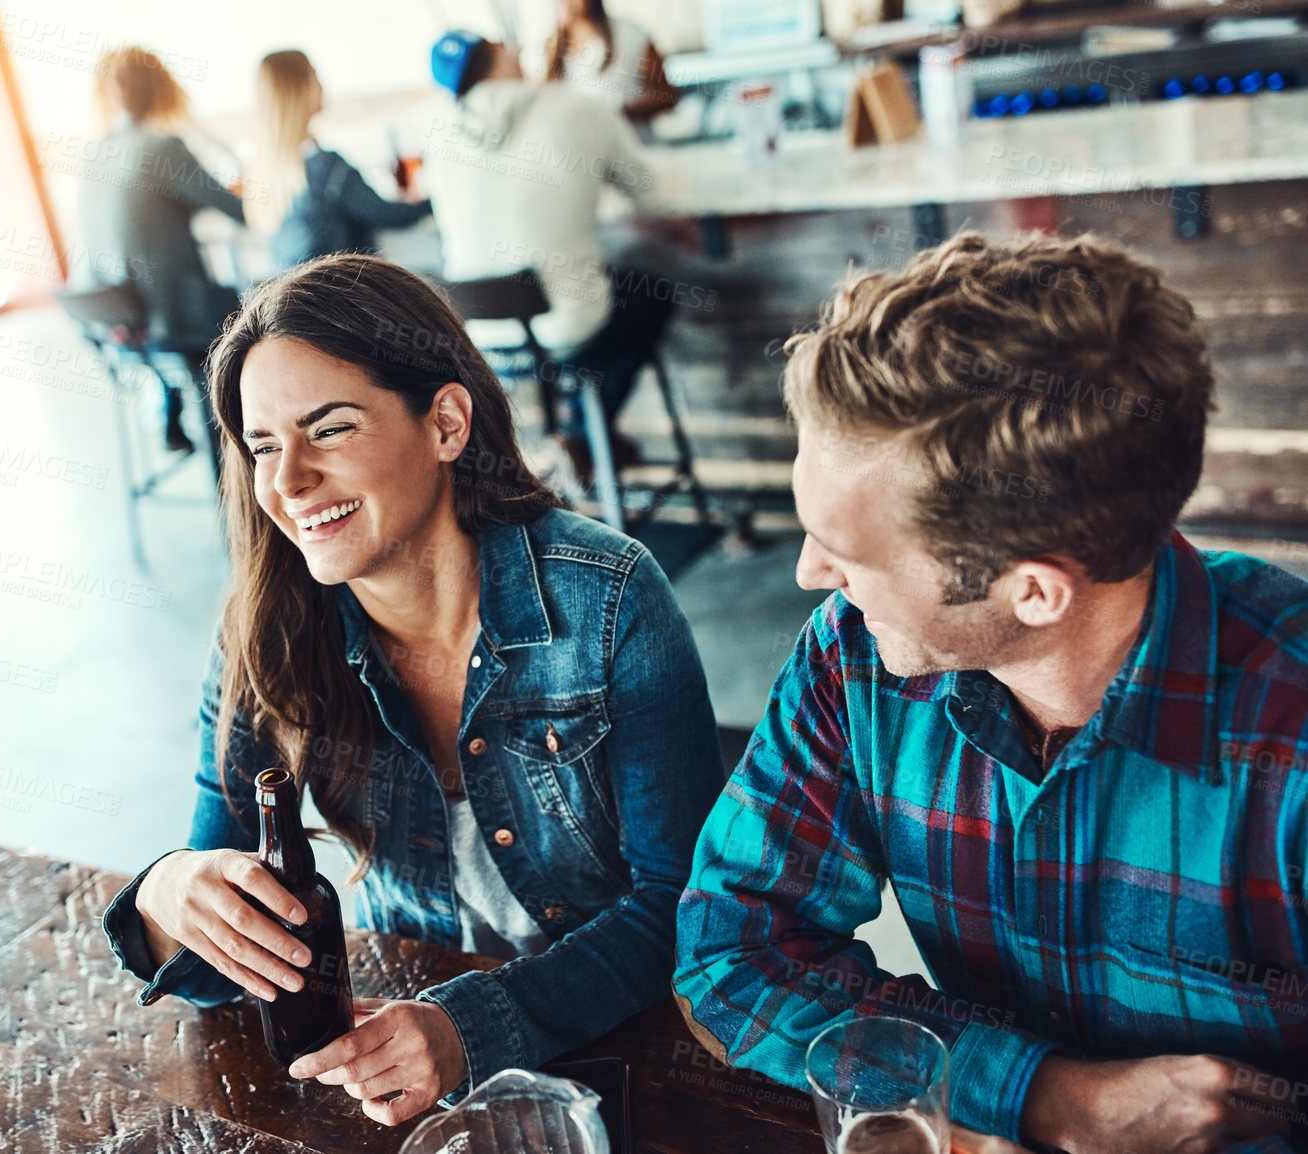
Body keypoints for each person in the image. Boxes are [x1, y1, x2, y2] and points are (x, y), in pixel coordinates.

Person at [673, 232, 1308, 1152]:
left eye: (849, 554)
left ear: (1036, 590)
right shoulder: (855, 655)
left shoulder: (1289, 739)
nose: (812, 574)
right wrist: (1049, 1098)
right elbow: (731, 956)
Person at [101, 253, 723, 1126]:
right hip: (404, 1069)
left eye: (330, 429)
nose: (286, 483)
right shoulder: (266, 631)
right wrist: (169, 894)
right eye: (264, 446)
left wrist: (474, 1028)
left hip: (621, 1050)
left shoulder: (610, 597)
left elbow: (687, 912)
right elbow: (217, 970)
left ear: (447, 422)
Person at [425, 31, 669, 485]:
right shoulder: (576, 107)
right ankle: (581, 436)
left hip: (482, 330)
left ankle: (590, 441)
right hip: (567, 325)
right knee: (652, 296)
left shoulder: (438, 133)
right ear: (498, 54)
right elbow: (648, 190)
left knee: (594, 308)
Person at [74, 47, 243, 458]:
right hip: (174, 323)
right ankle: (242, 445)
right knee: (260, 310)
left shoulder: (95, 152)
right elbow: (238, 210)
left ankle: (172, 400)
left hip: (115, 323)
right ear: (163, 90)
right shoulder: (164, 148)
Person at [247, 50, 432, 271]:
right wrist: (434, 200)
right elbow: (391, 215)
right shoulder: (326, 167)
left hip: (296, 301)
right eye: (314, 77)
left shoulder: (265, 170)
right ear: (300, 89)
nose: (322, 86)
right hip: (342, 298)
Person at [530, 0, 679, 123]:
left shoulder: (630, 35)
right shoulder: (544, 51)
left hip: (633, 149)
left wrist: (621, 114)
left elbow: (668, 95)